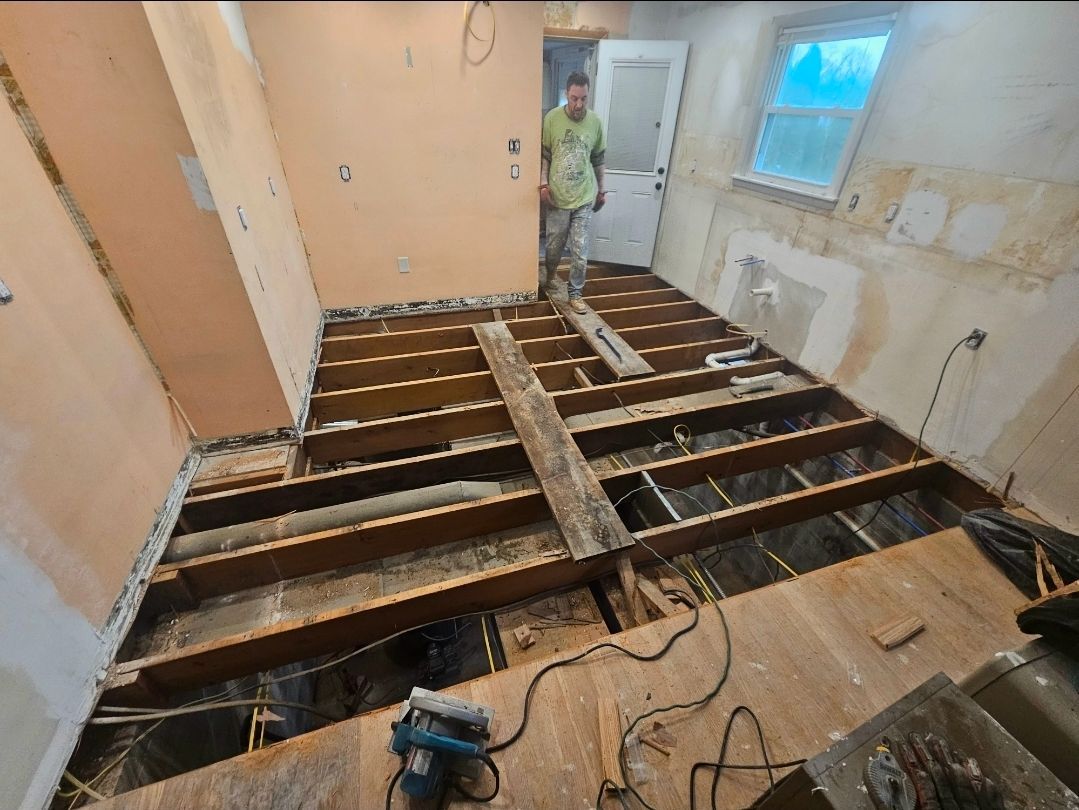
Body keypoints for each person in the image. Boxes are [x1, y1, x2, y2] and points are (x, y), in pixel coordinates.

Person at [540, 71, 607, 314]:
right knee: (554, 248)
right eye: (574, 98)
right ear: (567, 94)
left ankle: (576, 293)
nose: (579, 104)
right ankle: (549, 278)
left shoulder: (595, 122)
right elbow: (545, 155)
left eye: (584, 99)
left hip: (583, 197)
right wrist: (543, 184)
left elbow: (598, 158)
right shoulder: (552, 119)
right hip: (558, 198)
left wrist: (601, 190)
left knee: (580, 251)